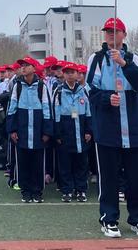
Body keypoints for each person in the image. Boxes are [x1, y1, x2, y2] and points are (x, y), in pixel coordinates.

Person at [87, 18, 138, 238]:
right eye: (107, 32)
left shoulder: (133, 58)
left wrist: (125, 64)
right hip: (108, 125)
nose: (110, 35)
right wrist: (107, 99)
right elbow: (90, 90)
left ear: (124, 34)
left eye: (115, 32)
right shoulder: (95, 59)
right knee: (109, 176)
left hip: (134, 123)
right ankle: (109, 219)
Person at [6, 56, 52, 203]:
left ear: (34, 68)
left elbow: (47, 109)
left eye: (27, 65)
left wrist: (46, 131)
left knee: (38, 163)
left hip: (38, 132)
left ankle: (37, 191)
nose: (23, 68)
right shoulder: (17, 86)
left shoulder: (41, 87)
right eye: (22, 66)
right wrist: (12, 130)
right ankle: (25, 191)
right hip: (22, 131)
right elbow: (12, 109)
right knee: (23, 162)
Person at [54, 62, 92, 203]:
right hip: (65, 131)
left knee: (81, 163)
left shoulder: (83, 91)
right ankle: (67, 191)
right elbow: (55, 112)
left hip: (81, 131)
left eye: (73, 72)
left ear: (78, 74)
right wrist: (57, 133)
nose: (70, 75)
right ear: (63, 75)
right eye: (67, 72)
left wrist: (89, 130)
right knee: (65, 163)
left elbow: (88, 112)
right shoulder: (58, 92)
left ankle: (81, 190)